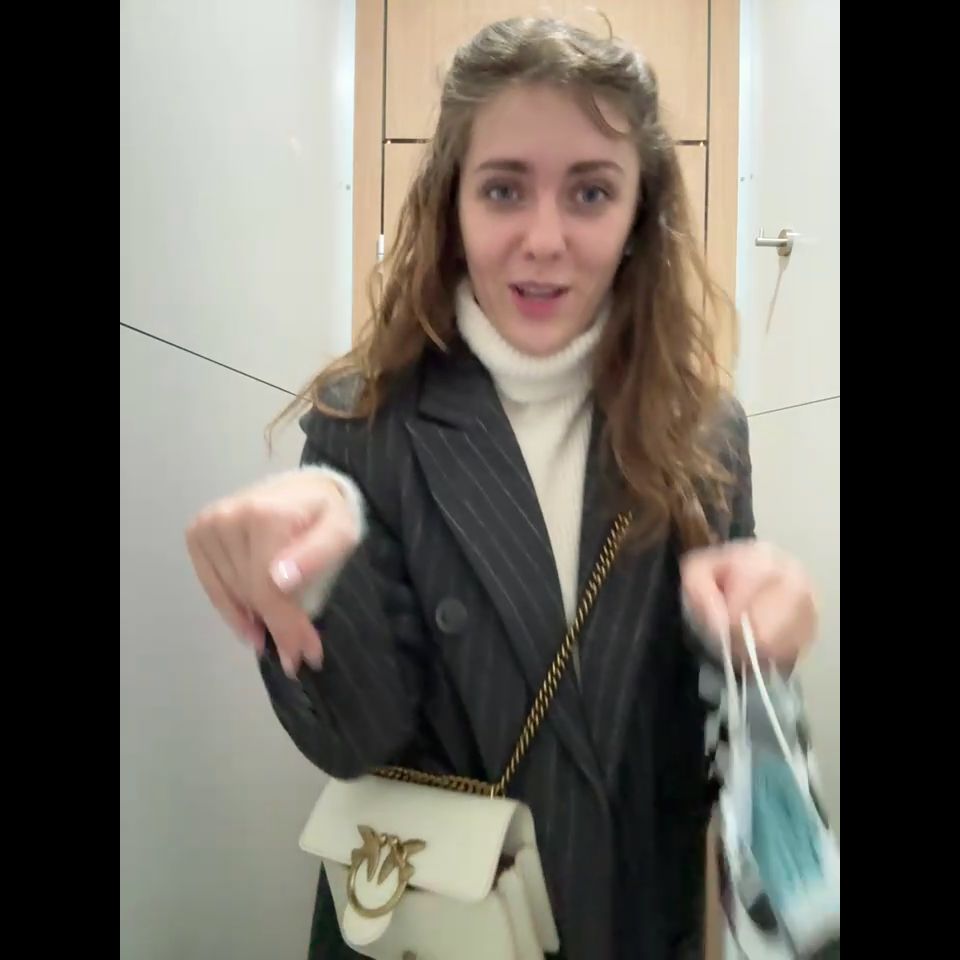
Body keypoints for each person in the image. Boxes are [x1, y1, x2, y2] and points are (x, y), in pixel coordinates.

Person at [185, 17, 818, 960]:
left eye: (590, 192)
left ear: (639, 214)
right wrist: (313, 583)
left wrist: (759, 648)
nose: (544, 240)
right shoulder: (364, 422)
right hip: (428, 928)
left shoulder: (704, 431)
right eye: (504, 189)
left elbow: (708, 749)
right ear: (454, 204)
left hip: (632, 924)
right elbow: (355, 741)